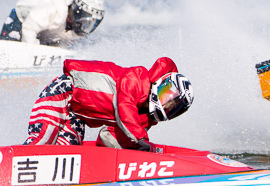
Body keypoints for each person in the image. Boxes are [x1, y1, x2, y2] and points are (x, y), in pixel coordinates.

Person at [23, 57, 194, 151]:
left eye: (174, 108)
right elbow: (124, 107)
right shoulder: (138, 78)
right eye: (167, 97)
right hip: (63, 92)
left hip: (76, 116)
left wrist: (139, 154)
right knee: (43, 140)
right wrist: (141, 140)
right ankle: (5, 172)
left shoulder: (143, 120)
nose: (166, 106)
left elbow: (107, 137)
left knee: (67, 154)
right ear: (161, 82)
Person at [0, 0, 105, 46]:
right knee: (12, 45)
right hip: (22, 19)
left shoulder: (78, 29)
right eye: (83, 20)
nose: (85, 26)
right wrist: (34, 50)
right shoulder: (55, 7)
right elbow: (29, 28)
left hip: (48, 32)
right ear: (76, 11)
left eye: (91, 24)